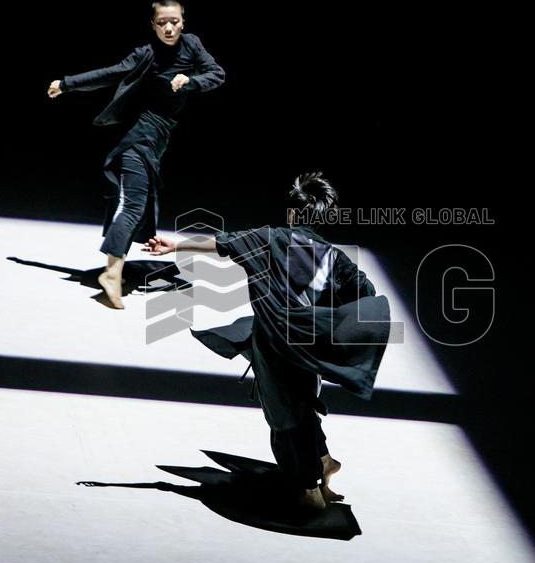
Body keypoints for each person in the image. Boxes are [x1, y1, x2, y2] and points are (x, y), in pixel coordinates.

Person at [143, 173, 392, 510]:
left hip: (274, 345)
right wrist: (328, 317)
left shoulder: (268, 238)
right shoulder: (333, 257)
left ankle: (310, 489)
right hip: (308, 344)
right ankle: (323, 463)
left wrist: (175, 245)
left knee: (285, 416)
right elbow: (364, 290)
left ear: (292, 212)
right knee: (300, 405)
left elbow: (222, 243)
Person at [48, 0, 225, 308]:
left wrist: (191, 81)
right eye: (161, 22)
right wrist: (66, 84)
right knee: (133, 205)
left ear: (183, 22)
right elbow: (111, 72)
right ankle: (111, 274)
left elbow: (217, 74)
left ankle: (115, 268)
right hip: (137, 136)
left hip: (157, 139)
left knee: (138, 206)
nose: (168, 28)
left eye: (174, 21)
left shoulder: (192, 44)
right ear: (153, 25)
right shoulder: (146, 53)